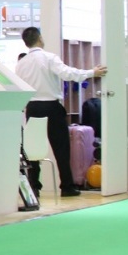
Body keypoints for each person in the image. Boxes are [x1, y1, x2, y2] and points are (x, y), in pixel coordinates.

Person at [14, 26, 107, 198]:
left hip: (32, 108)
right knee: (61, 148)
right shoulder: (49, 58)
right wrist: (91, 72)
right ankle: (67, 186)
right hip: (52, 107)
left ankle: (34, 187)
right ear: (40, 38)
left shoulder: (21, 63)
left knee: (33, 148)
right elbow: (68, 73)